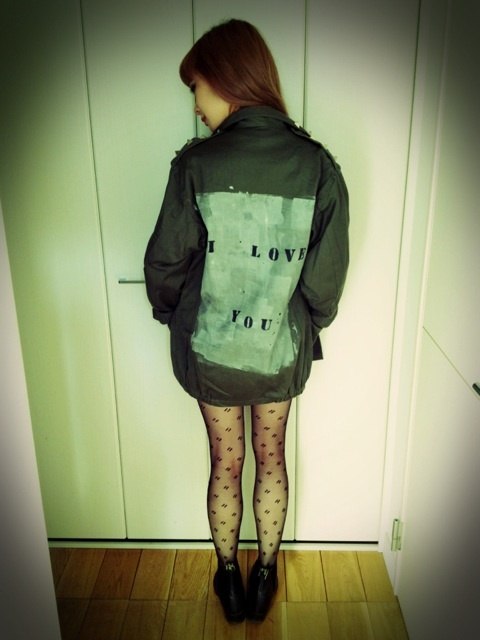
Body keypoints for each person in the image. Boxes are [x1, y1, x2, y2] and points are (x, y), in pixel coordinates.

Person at [144, 18, 349, 624]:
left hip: (213, 355)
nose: (196, 105)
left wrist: (171, 314)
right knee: (272, 457)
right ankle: (266, 573)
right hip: (278, 353)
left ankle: (228, 577)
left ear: (226, 80)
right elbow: (325, 280)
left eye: (197, 87)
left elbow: (165, 262)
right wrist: (306, 327)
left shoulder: (196, 165)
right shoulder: (315, 165)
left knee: (225, 462)